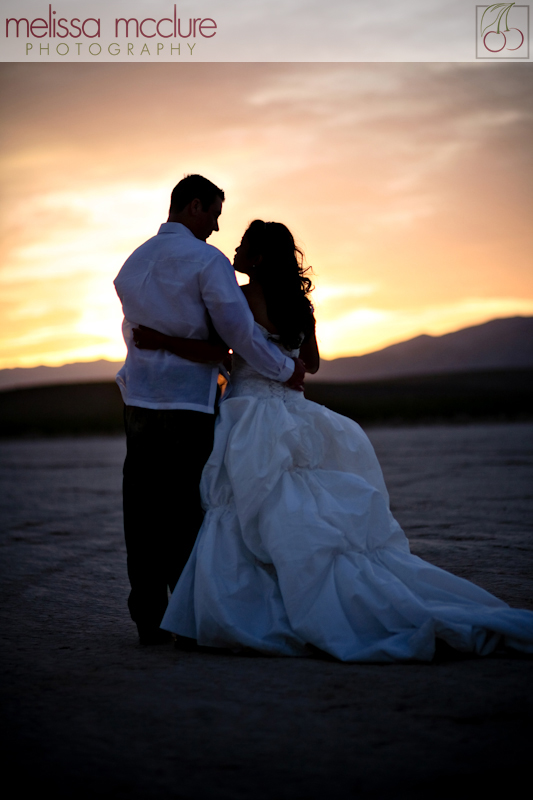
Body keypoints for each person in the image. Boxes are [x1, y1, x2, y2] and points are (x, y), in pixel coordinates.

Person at [138, 220, 533, 662]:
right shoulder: (299, 305)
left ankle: (239, 613)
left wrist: (157, 340)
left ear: (259, 257)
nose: (236, 249)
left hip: (248, 412)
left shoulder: (243, 297)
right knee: (301, 503)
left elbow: (221, 350)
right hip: (292, 410)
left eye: (244, 245)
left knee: (243, 506)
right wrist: (284, 360)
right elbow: (313, 362)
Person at [113, 177, 305, 646]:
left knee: (140, 511)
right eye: (215, 214)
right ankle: (187, 616)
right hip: (187, 403)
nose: (218, 228)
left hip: (139, 400)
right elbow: (238, 335)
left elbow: (131, 331)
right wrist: (284, 369)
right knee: (185, 509)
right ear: (194, 205)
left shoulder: (133, 262)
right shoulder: (206, 261)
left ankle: (148, 618)